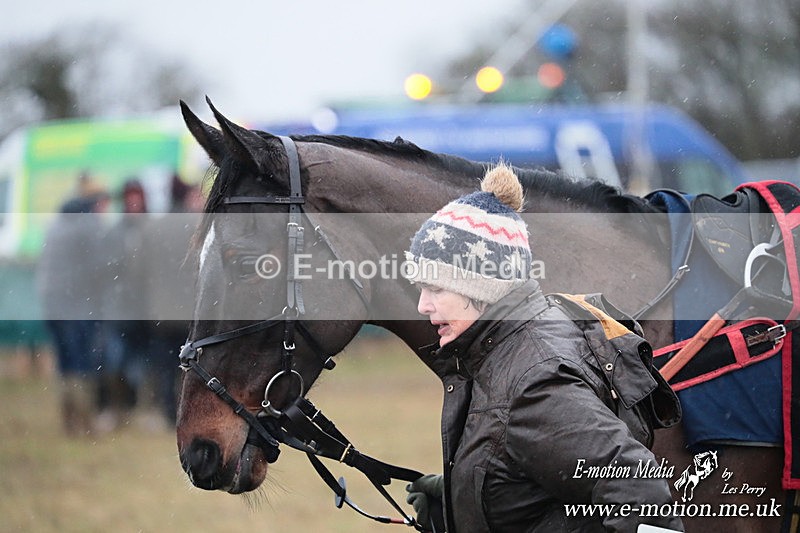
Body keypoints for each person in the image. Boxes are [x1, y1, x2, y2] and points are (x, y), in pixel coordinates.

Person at [403, 164, 683, 532]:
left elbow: (642, 494)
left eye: (435, 288)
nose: (422, 305)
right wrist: (460, 498)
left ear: (483, 286)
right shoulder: (501, 350)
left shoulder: (536, 381)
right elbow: (534, 484)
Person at [37, 186, 110, 436]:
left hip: (52, 307)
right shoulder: (86, 226)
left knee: (65, 363)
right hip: (77, 307)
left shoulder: (54, 227)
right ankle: (86, 422)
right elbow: (100, 267)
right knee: (82, 363)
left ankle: (68, 420)